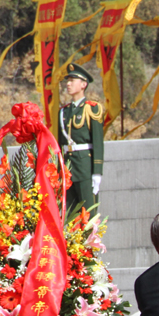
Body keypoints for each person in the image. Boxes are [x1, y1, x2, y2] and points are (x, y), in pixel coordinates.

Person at [58, 63, 105, 218]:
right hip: (68, 167)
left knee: (88, 214)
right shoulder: (63, 111)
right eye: (68, 80)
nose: (68, 83)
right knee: (70, 215)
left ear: (83, 84)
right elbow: (60, 144)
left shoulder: (92, 108)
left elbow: (98, 142)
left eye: (72, 80)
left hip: (85, 166)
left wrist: (97, 172)